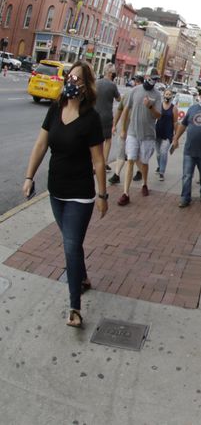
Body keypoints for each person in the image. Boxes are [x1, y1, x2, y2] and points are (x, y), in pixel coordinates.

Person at [22, 60, 108, 328]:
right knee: (71, 242)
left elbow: (98, 161)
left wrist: (103, 195)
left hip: (80, 195)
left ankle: (75, 307)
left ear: (86, 85)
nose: (71, 81)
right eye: (69, 76)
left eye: (77, 78)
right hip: (56, 191)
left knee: (70, 246)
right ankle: (81, 277)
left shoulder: (91, 118)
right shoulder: (56, 108)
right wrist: (28, 176)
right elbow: (41, 144)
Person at [117, 69, 162, 206]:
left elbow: (158, 115)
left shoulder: (157, 95)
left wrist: (150, 107)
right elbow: (125, 109)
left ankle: (144, 183)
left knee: (144, 162)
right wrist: (123, 129)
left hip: (148, 134)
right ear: (146, 77)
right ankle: (125, 193)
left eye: (155, 79)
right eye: (150, 78)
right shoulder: (135, 91)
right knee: (130, 160)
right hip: (133, 133)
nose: (152, 81)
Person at [94, 64, 121, 172]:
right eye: (113, 72)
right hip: (106, 116)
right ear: (110, 73)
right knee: (107, 140)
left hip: (95, 115)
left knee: (95, 139)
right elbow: (119, 99)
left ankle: (93, 162)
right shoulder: (112, 85)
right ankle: (104, 163)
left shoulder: (96, 83)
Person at [154, 88, 177, 181]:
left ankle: (162, 172)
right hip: (158, 132)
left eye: (169, 94)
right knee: (158, 154)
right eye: (166, 94)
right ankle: (159, 166)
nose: (167, 96)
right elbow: (154, 117)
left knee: (163, 152)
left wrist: (176, 136)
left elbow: (175, 122)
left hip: (168, 133)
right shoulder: (159, 106)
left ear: (172, 96)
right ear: (163, 95)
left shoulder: (174, 108)